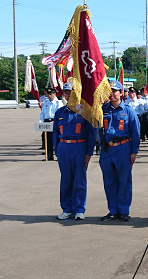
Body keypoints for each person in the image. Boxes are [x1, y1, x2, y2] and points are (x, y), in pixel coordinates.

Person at [53, 83, 95, 220]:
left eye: (71, 92)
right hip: (64, 148)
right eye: (66, 92)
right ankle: (67, 208)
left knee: (79, 179)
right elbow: (55, 134)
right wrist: (57, 151)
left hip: (80, 147)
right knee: (65, 180)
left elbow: (91, 134)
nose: (68, 95)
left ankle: (79, 209)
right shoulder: (59, 112)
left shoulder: (85, 111)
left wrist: (89, 152)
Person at [99, 80, 140, 222]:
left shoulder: (128, 110)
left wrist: (134, 151)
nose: (112, 94)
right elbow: (99, 130)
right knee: (109, 181)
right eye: (109, 92)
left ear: (121, 93)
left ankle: (124, 210)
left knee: (124, 181)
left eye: (115, 91)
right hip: (107, 149)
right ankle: (113, 210)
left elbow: (135, 132)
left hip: (123, 148)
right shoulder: (103, 109)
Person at [40, 87, 64, 161]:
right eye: (48, 94)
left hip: (56, 121)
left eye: (50, 94)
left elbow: (60, 113)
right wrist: (41, 121)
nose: (49, 95)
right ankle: (49, 155)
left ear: (54, 94)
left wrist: (55, 121)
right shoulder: (45, 103)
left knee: (57, 139)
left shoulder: (58, 103)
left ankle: (59, 155)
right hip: (47, 122)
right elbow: (43, 113)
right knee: (47, 139)